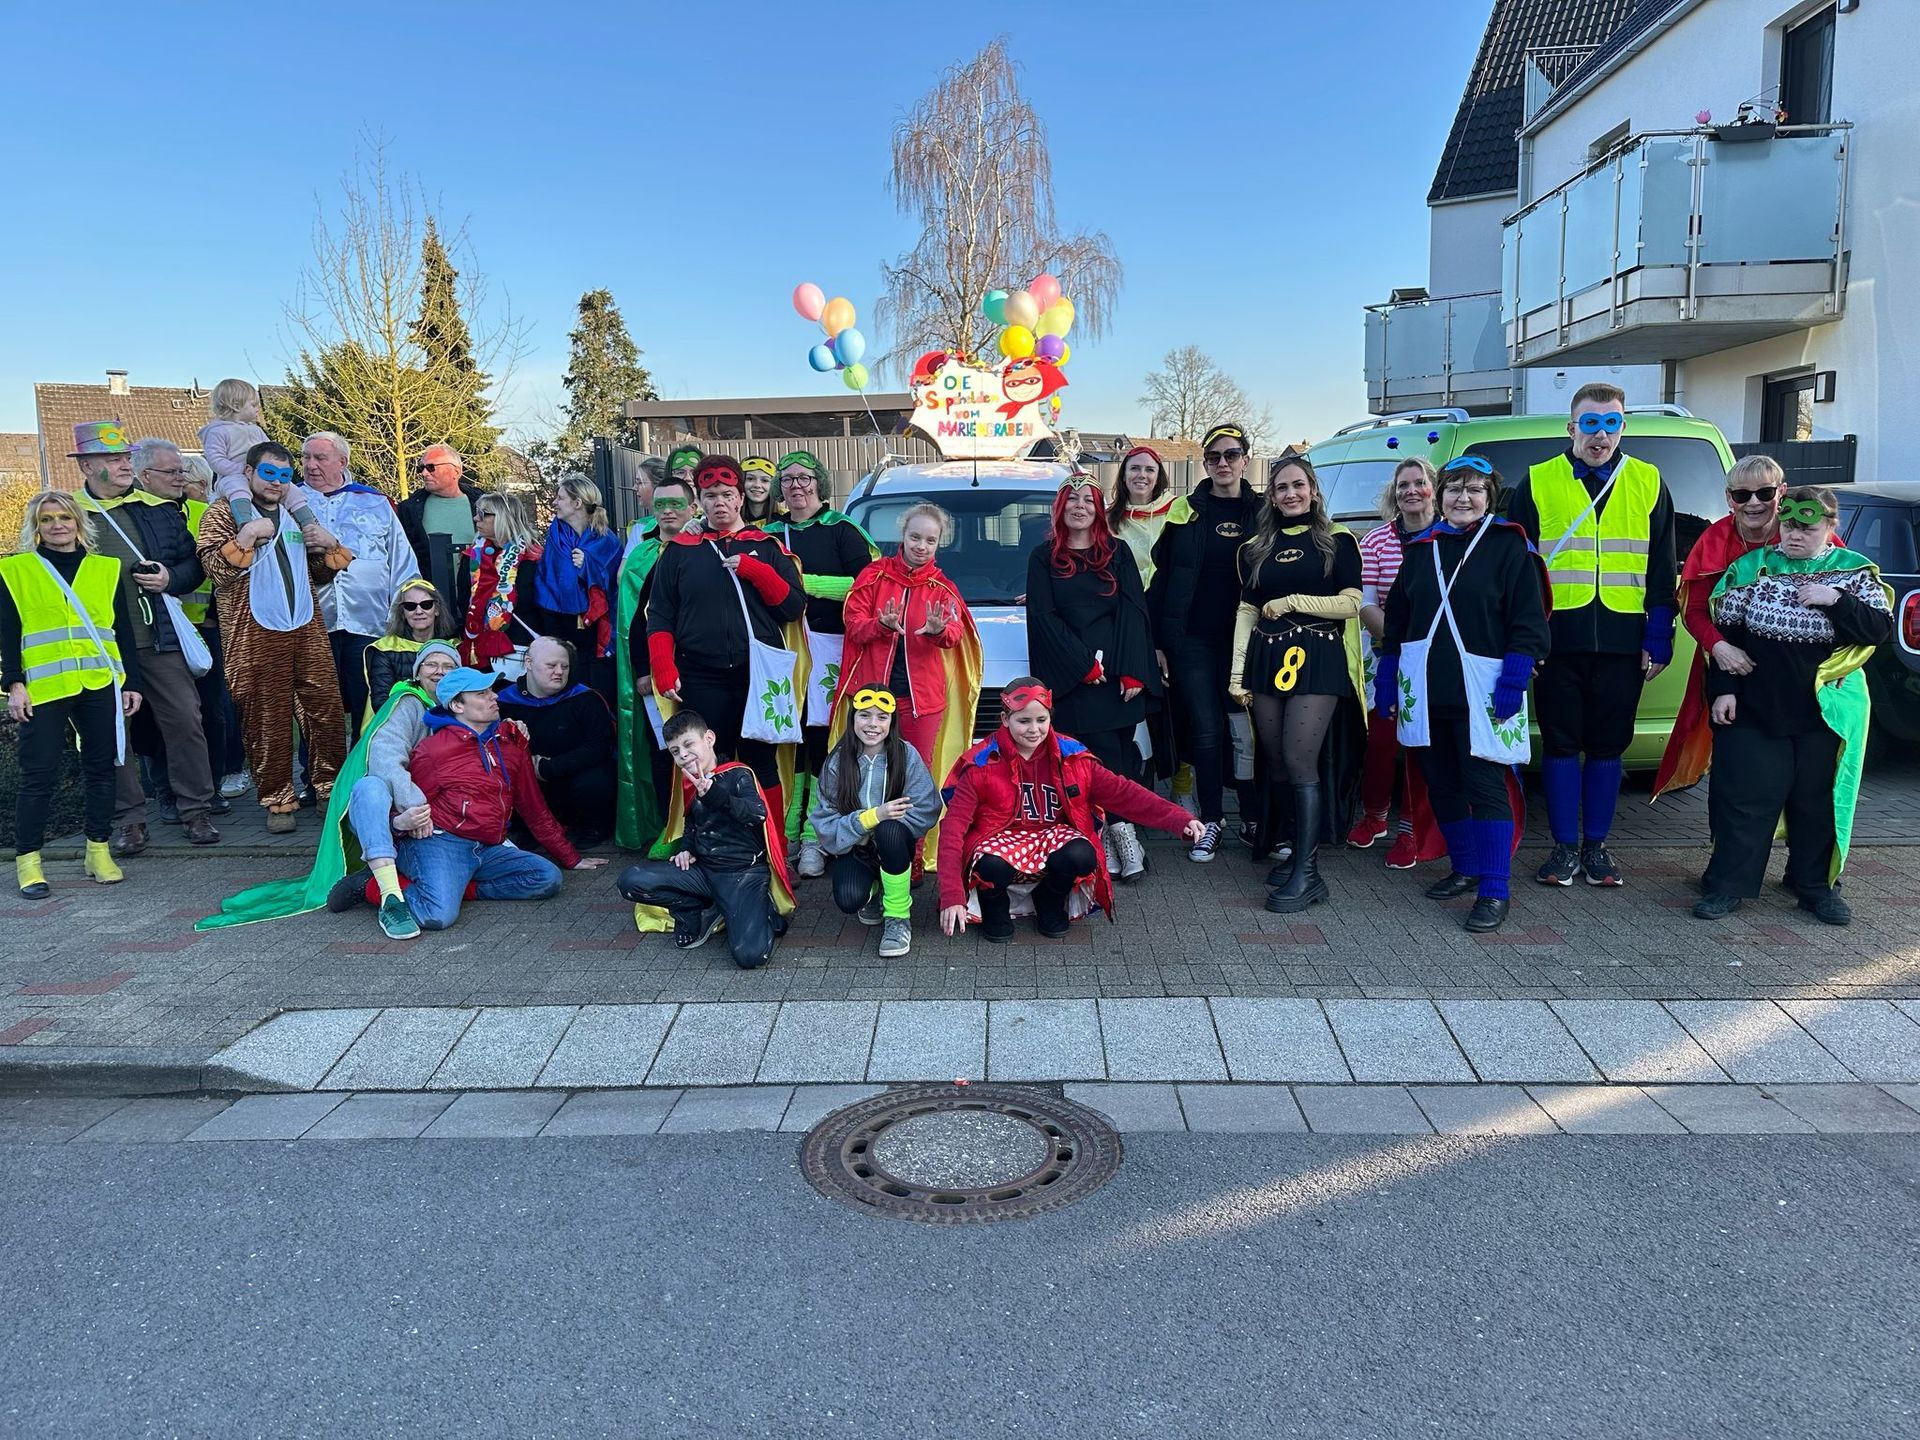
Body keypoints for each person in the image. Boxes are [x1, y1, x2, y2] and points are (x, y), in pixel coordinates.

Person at [1694, 488, 1892, 926]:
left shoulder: (1854, 571)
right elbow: (1727, 635)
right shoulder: (1753, 568)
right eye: (1789, 525)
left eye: (1808, 527)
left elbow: (1879, 629)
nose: (1795, 535)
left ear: (1831, 527)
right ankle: (1728, 884)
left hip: (1824, 710)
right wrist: (1724, 689)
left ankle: (1815, 887)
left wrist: (1836, 600)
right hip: (1757, 705)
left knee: (1816, 800)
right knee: (1745, 797)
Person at [1508, 384, 1677, 888]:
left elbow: (1662, 565)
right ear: (1571, 428)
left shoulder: (1648, 479)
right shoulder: (1538, 479)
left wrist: (1659, 633)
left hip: (1624, 640)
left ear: (1622, 428)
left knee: (1608, 748)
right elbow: (1518, 572)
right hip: (1557, 640)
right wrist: (1526, 640)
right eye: (1590, 423)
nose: (1600, 435)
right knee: (1560, 745)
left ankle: (1596, 848)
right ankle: (1563, 849)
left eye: (1611, 424)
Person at [1376, 458, 1550, 933]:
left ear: (1489, 497)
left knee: (1485, 787)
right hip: (1427, 690)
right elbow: (1398, 624)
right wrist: (1387, 677)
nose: (1463, 498)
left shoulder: (1509, 546)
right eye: (1454, 489)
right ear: (1441, 496)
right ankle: (1466, 866)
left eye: (1475, 489)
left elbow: (1529, 620)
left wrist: (1515, 678)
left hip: (1486, 689)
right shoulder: (1421, 549)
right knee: (1441, 783)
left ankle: (1495, 889)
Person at [195, 643, 463, 941]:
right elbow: (385, 760)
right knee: (370, 787)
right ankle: (391, 897)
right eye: (431, 664)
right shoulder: (407, 704)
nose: (439, 671)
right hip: (389, 809)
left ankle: (370, 882)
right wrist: (415, 807)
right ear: (417, 672)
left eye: (448, 666)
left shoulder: (464, 707)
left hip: (444, 819)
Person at [938, 677, 1204, 942]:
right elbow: (952, 828)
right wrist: (951, 894)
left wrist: (1178, 818)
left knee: (1081, 853)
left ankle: (1050, 898)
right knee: (991, 865)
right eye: (1024, 721)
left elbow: (1123, 792)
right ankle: (993, 905)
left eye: (1041, 720)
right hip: (999, 845)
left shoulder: (1072, 757)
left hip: (1051, 840)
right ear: (1005, 719)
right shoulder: (982, 762)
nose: (1034, 730)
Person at [70, 422, 218, 852]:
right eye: (112, 459)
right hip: (101, 645)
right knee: (112, 731)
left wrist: (172, 578)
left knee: (185, 720)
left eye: (124, 458)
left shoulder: (157, 509)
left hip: (158, 637)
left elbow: (194, 564)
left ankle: (196, 811)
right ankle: (130, 820)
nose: (123, 466)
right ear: (86, 465)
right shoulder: (68, 513)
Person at [1228, 455, 1366, 913]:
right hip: (1267, 659)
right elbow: (1247, 611)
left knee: (1299, 759)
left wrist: (1292, 601)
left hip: (1319, 657)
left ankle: (1309, 873)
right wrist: (1237, 672)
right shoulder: (1254, 548)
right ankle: (1293, 853)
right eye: (1281, 487)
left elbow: (1351, 604)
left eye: (1298, 485)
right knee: (1277, 762)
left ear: (1313, 490)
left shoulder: (1338, 541)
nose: (1290, 493)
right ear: (1272, 496)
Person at [644, 455, 808, 821]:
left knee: (760, 763)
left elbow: (793, 608)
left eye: (727, 494)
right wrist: (662, 665)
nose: (720, 502)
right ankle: (707, 844)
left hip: (756, 675)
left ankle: (772, 845)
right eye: (711, 495)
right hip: (700, 675)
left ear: (740, 499)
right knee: (702, 763)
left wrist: (756, 571)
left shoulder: (767, 546)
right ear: (699, 502)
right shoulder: (679, 552)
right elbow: (660, 615)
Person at [197, 441, 348, 833]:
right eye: (268, 473)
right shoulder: (222, 513)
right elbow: (215, 571)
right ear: (248, 472)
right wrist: (246, 537)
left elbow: (319, 574)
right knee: (266, 718)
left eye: (284, 476)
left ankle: (329, 788)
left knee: (325, 709)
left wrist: (329, 548)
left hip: (306, 625)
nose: (276, 483)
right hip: (254, 631)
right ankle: (278, 800)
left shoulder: (296, 513)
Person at [4, 491, 144, 896]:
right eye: (47, 519)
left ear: (79, 522)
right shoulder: (16, 570)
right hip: (44, 686)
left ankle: (98, 850)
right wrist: (14, 684)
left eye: (64, 517)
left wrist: (131, 682)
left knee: (102, 769)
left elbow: (122, 629)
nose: (57, 525)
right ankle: (29, 861)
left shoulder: (106, 568)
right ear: (36, 527)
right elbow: (8, 632)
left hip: (99, 681)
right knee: (39, 774)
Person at [1026, 471, 1160, 882]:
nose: (1080, 506)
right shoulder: (1043, 557)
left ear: (1099, 509)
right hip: (1072, 678)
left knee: (1119, 760)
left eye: (1088, 499)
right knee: (1086, 762)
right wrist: (1082, 665)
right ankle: (1103, 834)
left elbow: (1134, 612)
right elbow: (1043, 618)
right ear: (1060, 507)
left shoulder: (1117, 552)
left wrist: (1133, 669)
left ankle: (1122, 834)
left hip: (1117, 676)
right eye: (1072, 499)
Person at [1148, 421, 1263, 862]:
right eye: (1213, 457)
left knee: (1245, 732)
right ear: (1205, 463)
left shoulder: (1265, 511)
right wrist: (1158, 641)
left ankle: (1253, 818)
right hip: (1193, 640)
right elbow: (1161, 578)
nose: (1222, 464)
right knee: (1207, 729)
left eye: (1231, 455)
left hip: (1248, 640)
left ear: (1245, 460)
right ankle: (1212, 820)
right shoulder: (1184, 512)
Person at [399, 667, 590, 930]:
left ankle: (461, 889)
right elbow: (406, 804)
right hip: (442, 843)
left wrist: (571, 858)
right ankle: (376, 886)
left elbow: (533, 806)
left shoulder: (511, 744)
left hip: (488, 846)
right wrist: (393, 836)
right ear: (457, 705)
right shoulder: (433, 751)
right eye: (482, 693)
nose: (494, 697)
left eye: (491, 690)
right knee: (437, 916)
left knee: (547, 878)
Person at [766, 449, 879, 879]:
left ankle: (816, 836)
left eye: (804, 477)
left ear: (819, 483)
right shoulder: (769, 533)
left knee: (821, 741)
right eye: (788, 478)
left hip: (831, 651)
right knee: (787, 739)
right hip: (781, 653)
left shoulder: (842, 529)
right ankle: (787, 833)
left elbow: (866, 585)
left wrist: (803, 583)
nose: (796, 485)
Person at [1654, 455, 1792, 800]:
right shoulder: (1715, 538)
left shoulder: (1808, 532)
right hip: (1731, 671)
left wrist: (1832, 665)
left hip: (1794, 674)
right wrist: (1720, 649)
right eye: (1742, 495)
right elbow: (1694, 609)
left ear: (1782, 492)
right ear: (1729, 498)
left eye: (1764, 493)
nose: (1754, 503)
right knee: (1735, 770)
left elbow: (1847, 595)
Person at [617, 708, 792, 969]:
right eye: (675, 751)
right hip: (704, 872)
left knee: (750, 956)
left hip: (742, 875)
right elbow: (692, 824)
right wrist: (686, 849)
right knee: (631, 881)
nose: (683, 755)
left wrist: (716, 796)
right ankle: (695, 910)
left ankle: (760, 909)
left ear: (709, 739)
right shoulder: (690, 782)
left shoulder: (738, 774)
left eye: (689, 744)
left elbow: (757, 814)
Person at [839, 500, 982, 785]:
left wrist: (938, 631)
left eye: (930, 540)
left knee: (916, 775)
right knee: (867, 771)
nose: (921, 546)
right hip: (873, 697)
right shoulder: (873, 576)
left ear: (938, 543)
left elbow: (955, 635)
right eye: (915, 537)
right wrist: (880, 625)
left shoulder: (943, 588)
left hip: (923, 703)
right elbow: (853, 627)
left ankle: (911, 819)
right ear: (903, 535)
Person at [130, 438, 231, 824]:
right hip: (155, 631)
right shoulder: (129, 516)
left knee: (208, 713)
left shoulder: (201, 513)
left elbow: (212, 567)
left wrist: (176, 582)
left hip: (202, 628)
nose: (180, 478)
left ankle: (209, 789)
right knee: (154, 718)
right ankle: (166, 793)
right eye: (172, 472)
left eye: (182, 471)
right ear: (144, 475)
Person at [1353, 456, 1446, 869]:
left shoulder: (1451, 536)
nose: (1411, 491)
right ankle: (1375, 816)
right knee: (1380, 742)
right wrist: (1404, 643)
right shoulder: (1376, 542)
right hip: (1387, 654)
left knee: (1420, 747)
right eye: (1402, 484)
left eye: (1419, 482)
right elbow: (1366, 606)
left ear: (1434, 488)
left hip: (1439, 659)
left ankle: (1411, 829)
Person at [297, 431, 419, 741]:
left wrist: (404, 614)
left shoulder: (375, 502)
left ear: (342, 462)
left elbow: (401, 559)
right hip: (312, 624)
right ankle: (319, 770)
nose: (310, 465)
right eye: (306, 458)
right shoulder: (289, 502)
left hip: (369, 623)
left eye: (320, 458)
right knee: (318, 708)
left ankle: (364, 764)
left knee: (369, 706)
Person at [809, 687, 940, 959]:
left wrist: (883, 828)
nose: (872, 724)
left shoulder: (906, 755)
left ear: (892, 722)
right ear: (852, 718)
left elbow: (927, 807)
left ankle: (898, 917)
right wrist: (871, 818)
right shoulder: (837, 761)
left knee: (889, 831)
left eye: (882, 717)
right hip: (856, 848)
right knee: (849, 899)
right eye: (865, 715)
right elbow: (824, 823)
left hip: (894, 846)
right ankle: (878, 888)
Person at [615, 474, 694, 853]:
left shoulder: (704, 548)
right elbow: (632, 621)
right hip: (654, 675)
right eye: (660, 504)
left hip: (699, 670)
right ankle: (670, 830)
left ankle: (704, 831)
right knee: (665, 751)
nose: (668, 512)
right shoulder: (642, 555)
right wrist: (643, 670)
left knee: (702, 747)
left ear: (692, 508)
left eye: (676, 504)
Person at [1109, 443, 1189, 813]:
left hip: (1172, 617)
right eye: (1135, 468)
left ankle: (1183, 787)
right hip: (1126, 621)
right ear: (1123, 475)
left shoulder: (1179, 511)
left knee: (1180, 707)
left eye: (1149, 469)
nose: (1141, 475)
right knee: (1138, 707)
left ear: (1159, 477)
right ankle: (1138, 792)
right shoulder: (1108, 519)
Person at [498, 636, 617, 848]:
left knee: (596, 782)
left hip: (575, 773)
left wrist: (549, 767)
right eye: (551, 665)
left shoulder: (586, 699)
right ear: (529, 663)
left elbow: (599, 747)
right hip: (528, 776)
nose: (559, 672)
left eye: (565, 666)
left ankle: (594, 828)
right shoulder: (503, 701)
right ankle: (529, 829)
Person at [197, 378, 333, 550]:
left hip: (262, 474)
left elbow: (271, 451)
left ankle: (311, 528)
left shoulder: (256, 430)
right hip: (233, 476)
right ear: (236, 406)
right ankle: (246, 525)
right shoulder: (217, 432)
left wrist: (275, 470)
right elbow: (215, 459)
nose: (258, 409)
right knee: (238, 489)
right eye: (253, 405)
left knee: (292, 491)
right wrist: (242, 470)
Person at [534, 473, 624, 704]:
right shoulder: (555, 536)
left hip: (598, 626)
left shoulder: (607, 540)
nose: (554, 502)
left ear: (577, 503)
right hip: (559, 621)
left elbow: (616, 585)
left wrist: (588, 566)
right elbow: (548, 578)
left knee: (597, 689)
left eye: (560, 498)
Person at [396, 442, 487, 617]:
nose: (424, 473)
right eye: (421, 468)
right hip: (429, 611)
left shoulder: (484, 505)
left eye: (431, 467)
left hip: (480, 606)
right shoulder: (409, 511)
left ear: (456, 471)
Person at [462, 490, 547, 674]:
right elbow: (463, 601)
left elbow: (541, 605)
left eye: (483, 514)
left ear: (503, 518)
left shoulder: (534, 558)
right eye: (476, 513)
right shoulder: (471, 556)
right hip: (478, 646)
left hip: (522, 646)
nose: (476, 518)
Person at [363, 577, 458, 715]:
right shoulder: (384, 648)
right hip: (400, 720)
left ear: (437, 609)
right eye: (410, 606)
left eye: (426, 604)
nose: (418, 611)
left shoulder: (455, 646)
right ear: (402, 613)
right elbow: (382, 702)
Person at [740, 456, 783, 526]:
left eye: (765, 480)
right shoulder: (730, 519)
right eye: (750, 479)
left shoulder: (785, 519)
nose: (757, 485)